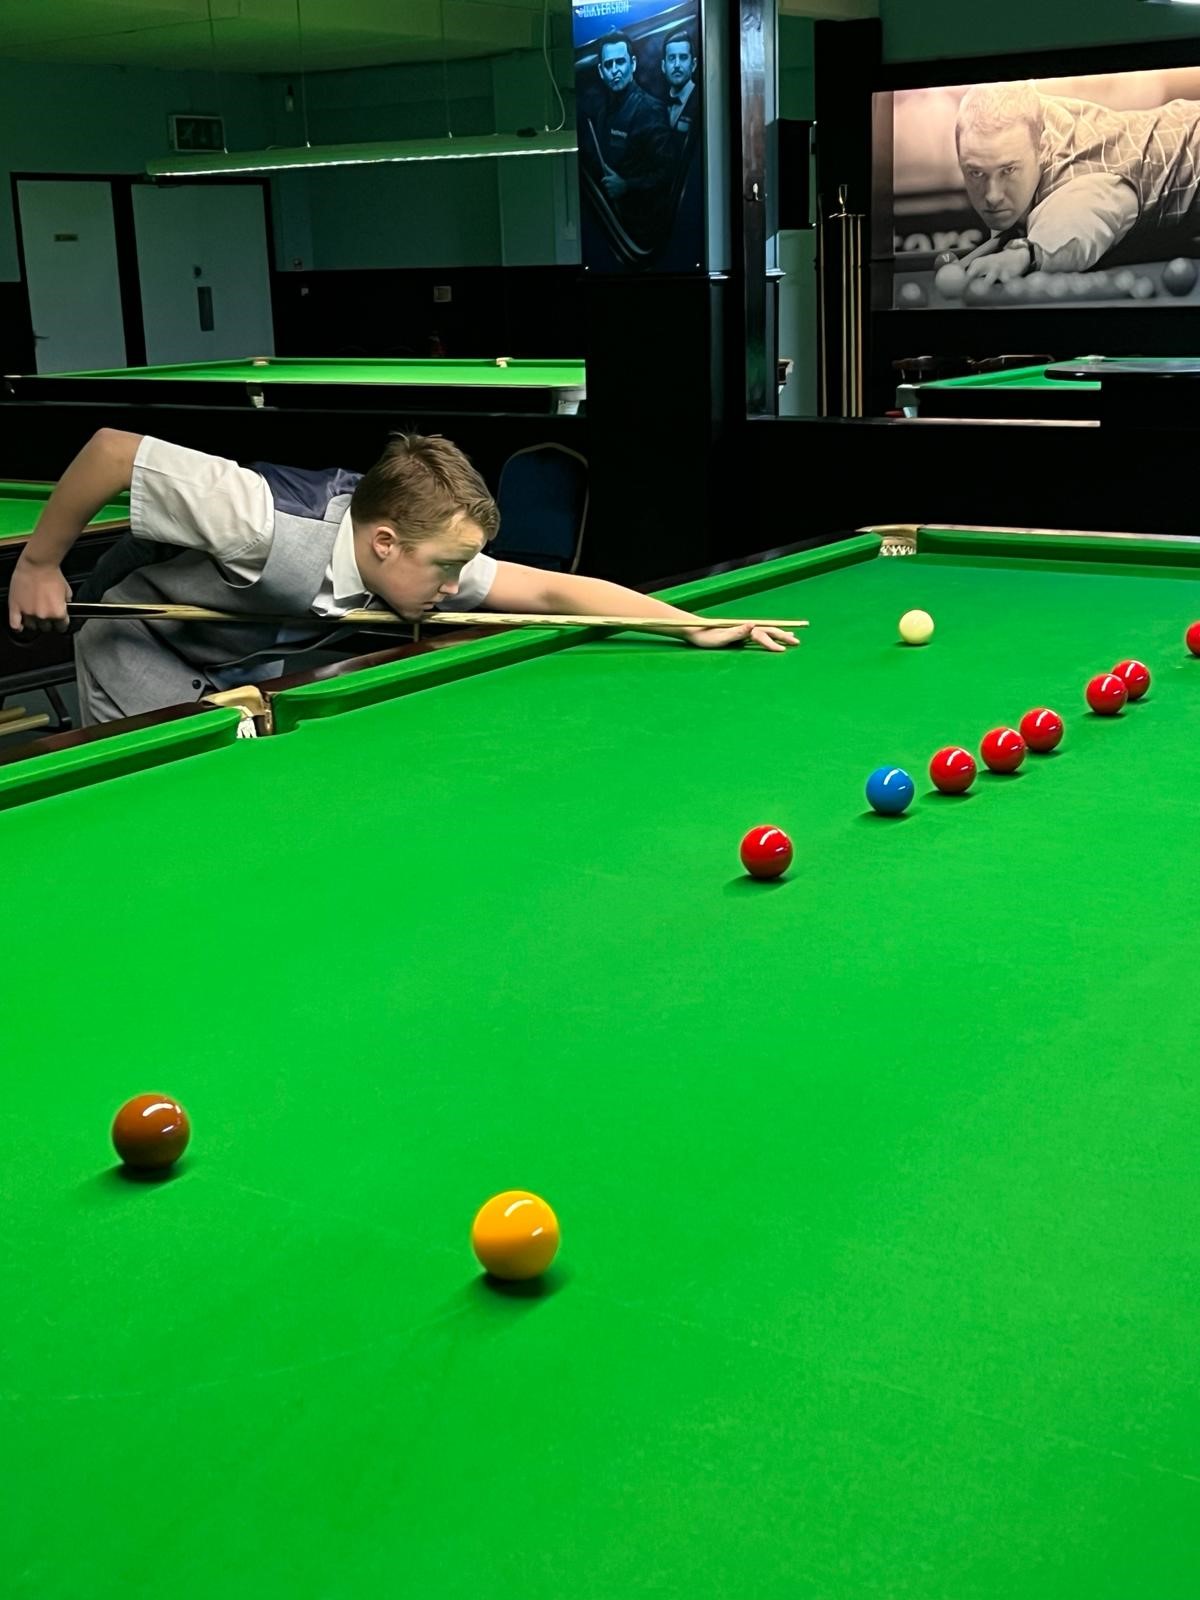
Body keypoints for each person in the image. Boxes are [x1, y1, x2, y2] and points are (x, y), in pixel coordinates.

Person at [8, 431, 798, 725]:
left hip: (238, 657)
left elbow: (556, 592)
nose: (456, 587)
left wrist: (685, 623)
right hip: (139, 640)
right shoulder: (253, 517)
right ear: (385, 542)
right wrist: (38, 564)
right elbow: (114, 451)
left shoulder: (427, 556)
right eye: (448, 569)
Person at [954, 80, 1200, 283]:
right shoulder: (1027, 121)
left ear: (1044, 148)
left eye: (1008, 170)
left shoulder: (1076, 179)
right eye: (976, 173)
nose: (993, 195)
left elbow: (1079, 217)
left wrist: (1025, 254)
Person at [582, 32, 672, 251]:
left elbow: (668, 174)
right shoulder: (603, 112)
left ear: (632, 64)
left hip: (641, 233)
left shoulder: (649, 111)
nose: (615, 69)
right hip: (614, 224)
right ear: (601, 71)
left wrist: (626, 186)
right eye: (609, 64)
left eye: (620, 62)